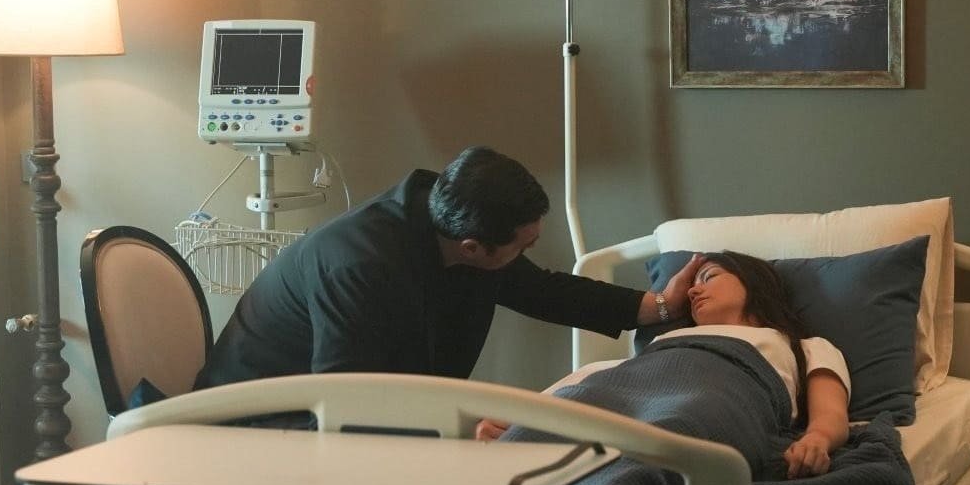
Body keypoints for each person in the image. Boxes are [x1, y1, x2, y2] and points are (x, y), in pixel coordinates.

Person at [194, 146, 703, 391]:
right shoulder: (359, 268)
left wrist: (659, 306)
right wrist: (457, 428)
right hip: (257, 416)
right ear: (473, 248)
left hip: (342, 405)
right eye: (523, 245)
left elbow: (540, 290)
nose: (528, 254)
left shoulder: (450, 212)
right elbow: (347, 399)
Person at [480, 250, 851, 481]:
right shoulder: (664, 343)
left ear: (755, 285)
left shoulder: (803, 348)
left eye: (709, 277)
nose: (692, 290)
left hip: (715, 398)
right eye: (693, 284)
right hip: (629, 389)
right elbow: (589, 389)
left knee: (666, 438)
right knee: (521, 450)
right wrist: (520, 422)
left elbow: (831, 415)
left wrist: (816, 440)